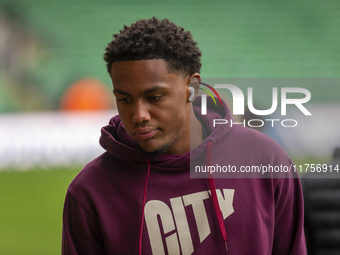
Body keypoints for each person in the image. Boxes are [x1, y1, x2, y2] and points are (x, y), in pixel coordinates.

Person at [62, 17, 307, 255]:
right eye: (124, 99)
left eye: (154, 97)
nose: (139, 115)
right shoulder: (90, 191)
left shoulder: (265, 161)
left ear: (192, 88)